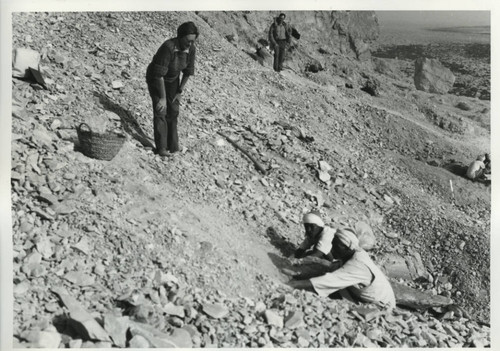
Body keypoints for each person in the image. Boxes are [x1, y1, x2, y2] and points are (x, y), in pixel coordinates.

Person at [289, 228, 396, 309]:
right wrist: (295, 274)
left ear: (346, 247)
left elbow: (330, 280)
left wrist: (290, 285)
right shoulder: (356, 252)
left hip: (380, 305)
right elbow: (332, 267)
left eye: (336, 246)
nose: (331, 248)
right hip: (360, 293)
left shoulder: (357, 266)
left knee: (326, 289)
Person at [146, 22, 198, 156]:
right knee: (161, 110)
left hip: (173, 80)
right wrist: (162, 98)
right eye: (188, 41)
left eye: (193, 41)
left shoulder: (191, 49)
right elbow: (159, 75)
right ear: (180, 37)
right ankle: (161, 148)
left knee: (173, 110)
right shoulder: (168, 47)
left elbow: (187, 72)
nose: (190, 44)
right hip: (156, 78)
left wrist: (179, 91)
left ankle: (173, 146)